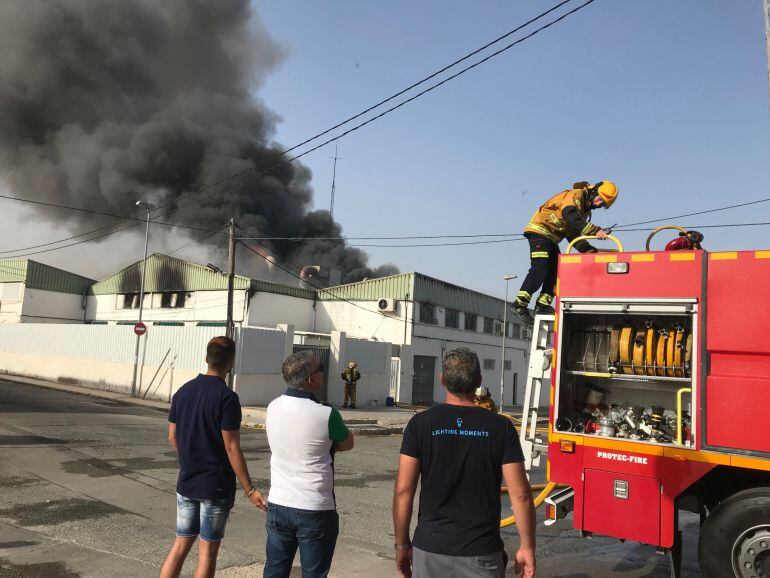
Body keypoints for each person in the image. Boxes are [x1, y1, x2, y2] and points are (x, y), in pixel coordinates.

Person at [393, 348, 536, 578]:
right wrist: (527, 546)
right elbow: (520, 495)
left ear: (442, 380)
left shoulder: (420, 424)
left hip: (430, 551)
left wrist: (402, 545)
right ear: (478, 381)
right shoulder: (501, 428)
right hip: (481, 553)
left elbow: (403, 491)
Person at [160, 336, 268, 578]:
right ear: (230, 362)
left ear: (206, 358)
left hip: (187, 481)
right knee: (207, 553)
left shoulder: (183, 392)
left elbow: (172, 436)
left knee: (180, 546)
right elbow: (231, 448)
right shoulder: (227, 398)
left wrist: (189, 461)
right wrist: (250, 490)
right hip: (215, 486)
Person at [264, 351, 355, 578]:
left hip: (278, 503)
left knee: (274, 570)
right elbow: (347, 443)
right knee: (314, 573)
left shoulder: (272, 407)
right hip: (314, 508)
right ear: (311, 379)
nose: (323, 372)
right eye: (320, 369)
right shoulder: (326, 414)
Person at [513, 180, 618, 320]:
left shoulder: (583, 212)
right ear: (594, 191)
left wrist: (589, 251)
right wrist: (595, 230)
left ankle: (542, 305)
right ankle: (519, 304)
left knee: (557, 271)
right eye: (599, 199)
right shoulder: (576, 194)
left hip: (551, 238)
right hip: (540, 232)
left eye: (603, 204)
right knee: (540, 267)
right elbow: (570, 216)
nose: (598, 204)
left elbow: (573, 234)